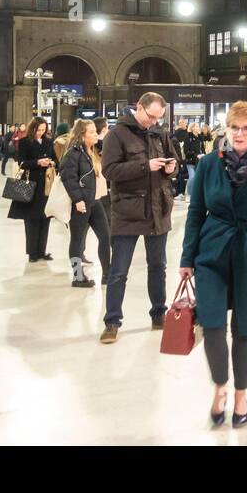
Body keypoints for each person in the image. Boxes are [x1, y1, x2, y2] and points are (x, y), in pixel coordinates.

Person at [180, 102, 247, 428]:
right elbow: (196, 212)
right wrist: (187, 258)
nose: (240, 134)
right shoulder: (209, 164)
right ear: (226, 129)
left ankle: (241, 394)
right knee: (212, 324)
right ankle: (220, 387)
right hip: (212, 253)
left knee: (245, 329)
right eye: (235, 127)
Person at [99, 93, 178, 343]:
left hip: (158, 208)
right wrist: (145, 166)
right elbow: (109, 170)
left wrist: (171, 168)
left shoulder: (160, 132)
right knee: (119, 271)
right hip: (128, 211)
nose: (154, 122)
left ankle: (159, 314)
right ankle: (112, 322)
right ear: (139, 108)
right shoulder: (117, 134)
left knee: (159, 266)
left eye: (159, 118)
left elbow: (176, 160)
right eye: (152, 116)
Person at [59, 119, 111, 288]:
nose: (96, 135)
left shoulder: (92, 151)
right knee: (77, 240)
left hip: (94, 201)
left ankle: (107, 274)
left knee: (105, 236)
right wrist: (78, 200)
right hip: (80, 203)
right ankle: (77, 277)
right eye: (92, 132)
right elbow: (68, 178)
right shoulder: (73, 153)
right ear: (82, 135)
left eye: (96, 131)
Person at [7, 117, 57, 263]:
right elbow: (21, 162)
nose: (40, 133)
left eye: (43, 130)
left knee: (45, 218)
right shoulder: (24, 142)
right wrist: (37, 162)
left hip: (46, 185)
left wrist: (51, 162)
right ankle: (32, 252)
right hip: (31, 183)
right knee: (31, 219)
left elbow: (55, 159)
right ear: (33, 128)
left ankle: (42, 251)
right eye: (38, 130)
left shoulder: (48, 141)